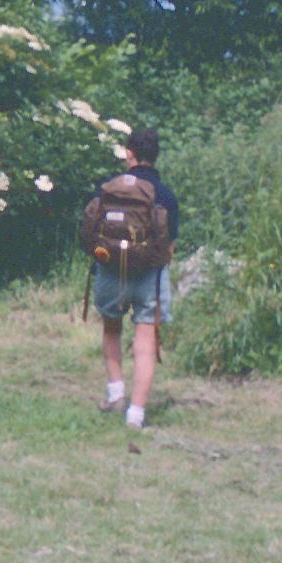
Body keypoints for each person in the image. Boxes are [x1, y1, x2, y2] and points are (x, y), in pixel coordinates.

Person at [90, 122, 179, 428]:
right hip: (149, 278)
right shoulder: (164, 194)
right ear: (156, 156)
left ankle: (116, 395)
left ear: (129, 153)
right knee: (145, 339)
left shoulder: (109, 186)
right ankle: (136, 414)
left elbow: (90, 229)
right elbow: (171, 244)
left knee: (111, 329)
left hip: (110, 272)